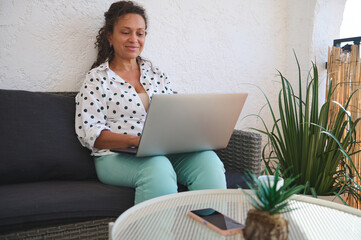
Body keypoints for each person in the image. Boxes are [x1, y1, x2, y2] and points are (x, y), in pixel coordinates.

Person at [75, 0, 226, 204]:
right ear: (110, 37)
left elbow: (174, 115)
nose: (134, 39)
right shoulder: (97, 79)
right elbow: (92, 134)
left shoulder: (157, 75)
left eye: (140, 33)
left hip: (162, 150)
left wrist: (194, 130)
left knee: (208, 161)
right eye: (126, 32)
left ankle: (208, 232)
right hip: (115, 157)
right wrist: (136, 141)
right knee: (158, 167)